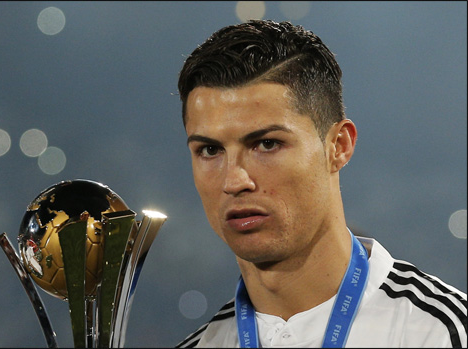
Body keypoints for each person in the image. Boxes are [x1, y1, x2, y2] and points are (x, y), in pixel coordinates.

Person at [175, 19, 467, 348]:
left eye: (267, 144)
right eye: (210, 150)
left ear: (338, 146)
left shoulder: (443, 334)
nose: (234, 181)